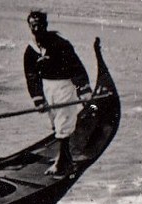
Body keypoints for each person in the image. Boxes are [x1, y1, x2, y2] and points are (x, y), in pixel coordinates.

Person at [23, 9, 92, 176]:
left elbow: (76, 67)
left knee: (63, 121)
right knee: (55, 121)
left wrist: (83, 90)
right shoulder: (31, 51)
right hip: (48, 88)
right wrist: (38, 99)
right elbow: (31, 77)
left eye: (39, 25)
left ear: (45, 25)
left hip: (64, 86)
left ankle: (62, 161)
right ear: (29, 27)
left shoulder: (60, 44)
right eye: (33, 26)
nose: (36, 29)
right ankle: (65, 157)